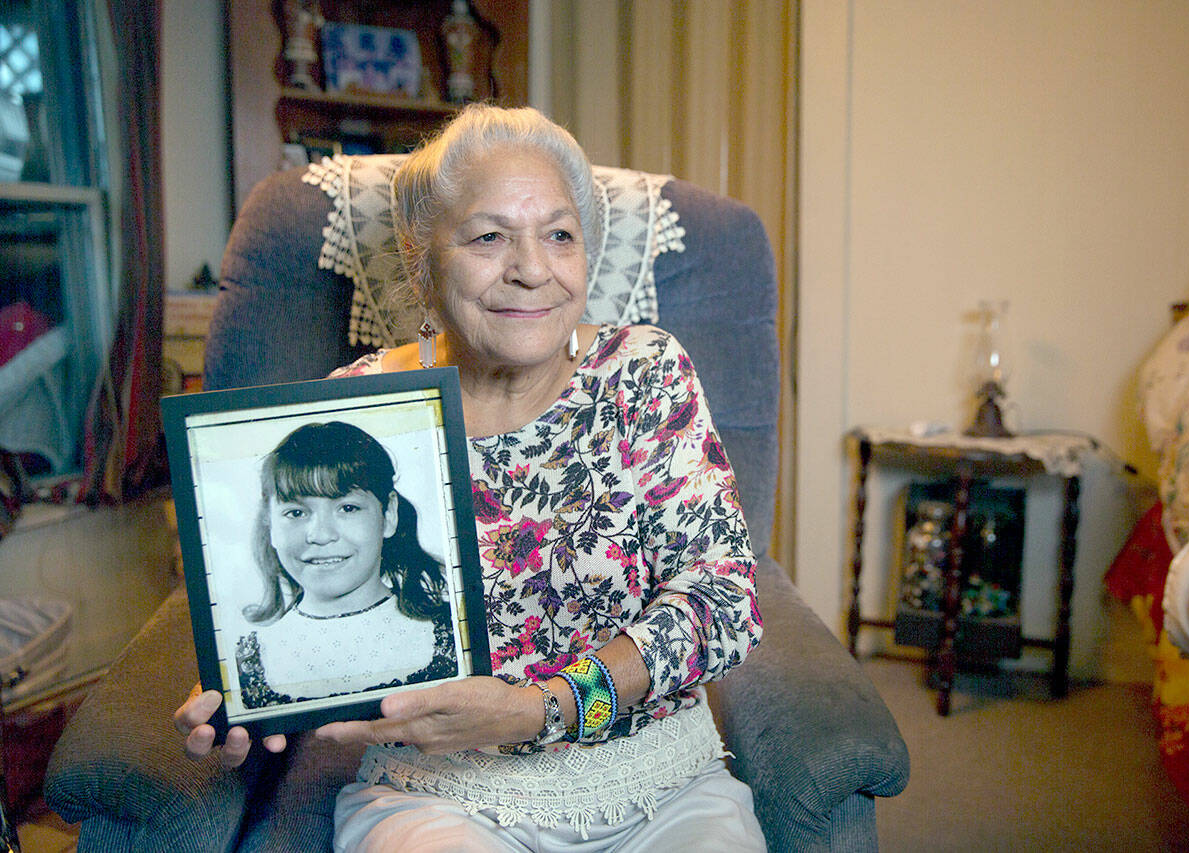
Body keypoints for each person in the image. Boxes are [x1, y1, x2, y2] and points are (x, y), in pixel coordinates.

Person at [177, 103, 766, 851]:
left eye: (559, 235)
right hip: (438, 794)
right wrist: (247, 690)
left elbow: (723, 603)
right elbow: (308, 595)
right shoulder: (357, 409)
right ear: (423, 263)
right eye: (489, 237)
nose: (532, 269)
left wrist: (538, 708)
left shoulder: (644, 373)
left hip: (662, 787)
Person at [234, 420, 456, 710]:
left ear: (388, 514)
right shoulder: (249, 663)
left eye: (347, 508)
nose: (321, 535)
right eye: (296, 512)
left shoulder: (451, 634)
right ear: (270, 524)